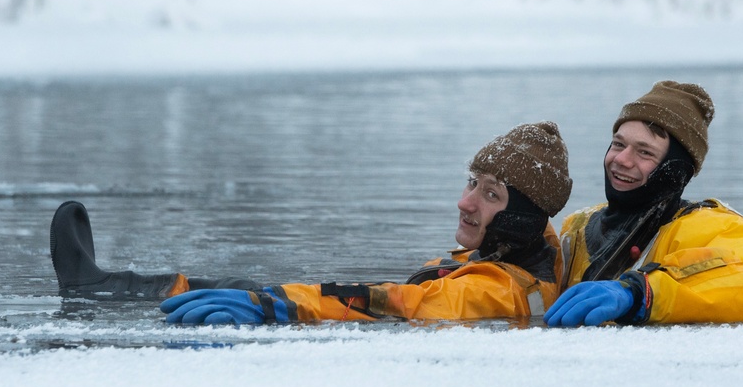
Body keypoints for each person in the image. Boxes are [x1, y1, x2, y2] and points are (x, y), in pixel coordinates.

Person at [50, 121, 573, 325]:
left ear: (521, 217)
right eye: (471, 182)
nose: (465, 202)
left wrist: (277, 306)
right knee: (243, 288)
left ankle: (100, 292)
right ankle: (105, 286)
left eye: (489, 195)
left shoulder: (498, 291)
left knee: (254, 296)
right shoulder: (515, 250)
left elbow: (406, 304)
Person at [544, 81, 743, 327]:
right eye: (618, 144)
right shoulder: (576, 227)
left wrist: (640, 293)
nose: (621, 159)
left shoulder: (713, 228)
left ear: (675, 170)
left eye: (645, 152)